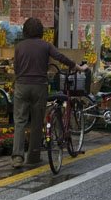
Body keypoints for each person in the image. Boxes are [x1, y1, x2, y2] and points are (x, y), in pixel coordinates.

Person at [11, 17, 88, 169]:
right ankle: (33, 156)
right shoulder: (45, 45)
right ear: (41, 31)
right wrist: (77, 67)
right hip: (39, 86)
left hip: (21, 85)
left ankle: (17, 157)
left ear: (25, 30)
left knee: (20, 121)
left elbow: (16, 68)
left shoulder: (19, 46)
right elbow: (60, 57)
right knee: (37, 121)